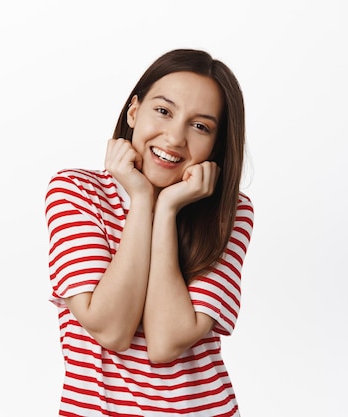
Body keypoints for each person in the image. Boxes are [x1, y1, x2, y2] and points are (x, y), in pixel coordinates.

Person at [45, 48, 254, 416]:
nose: (174, 138)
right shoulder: (75, 192)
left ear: (216, 145)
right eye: (163, 111)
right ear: (134, 111)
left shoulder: (229, 213)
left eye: (200, 126)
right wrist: (142, 200)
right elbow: (110, 329)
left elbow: (166, 341)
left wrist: (169, 208)